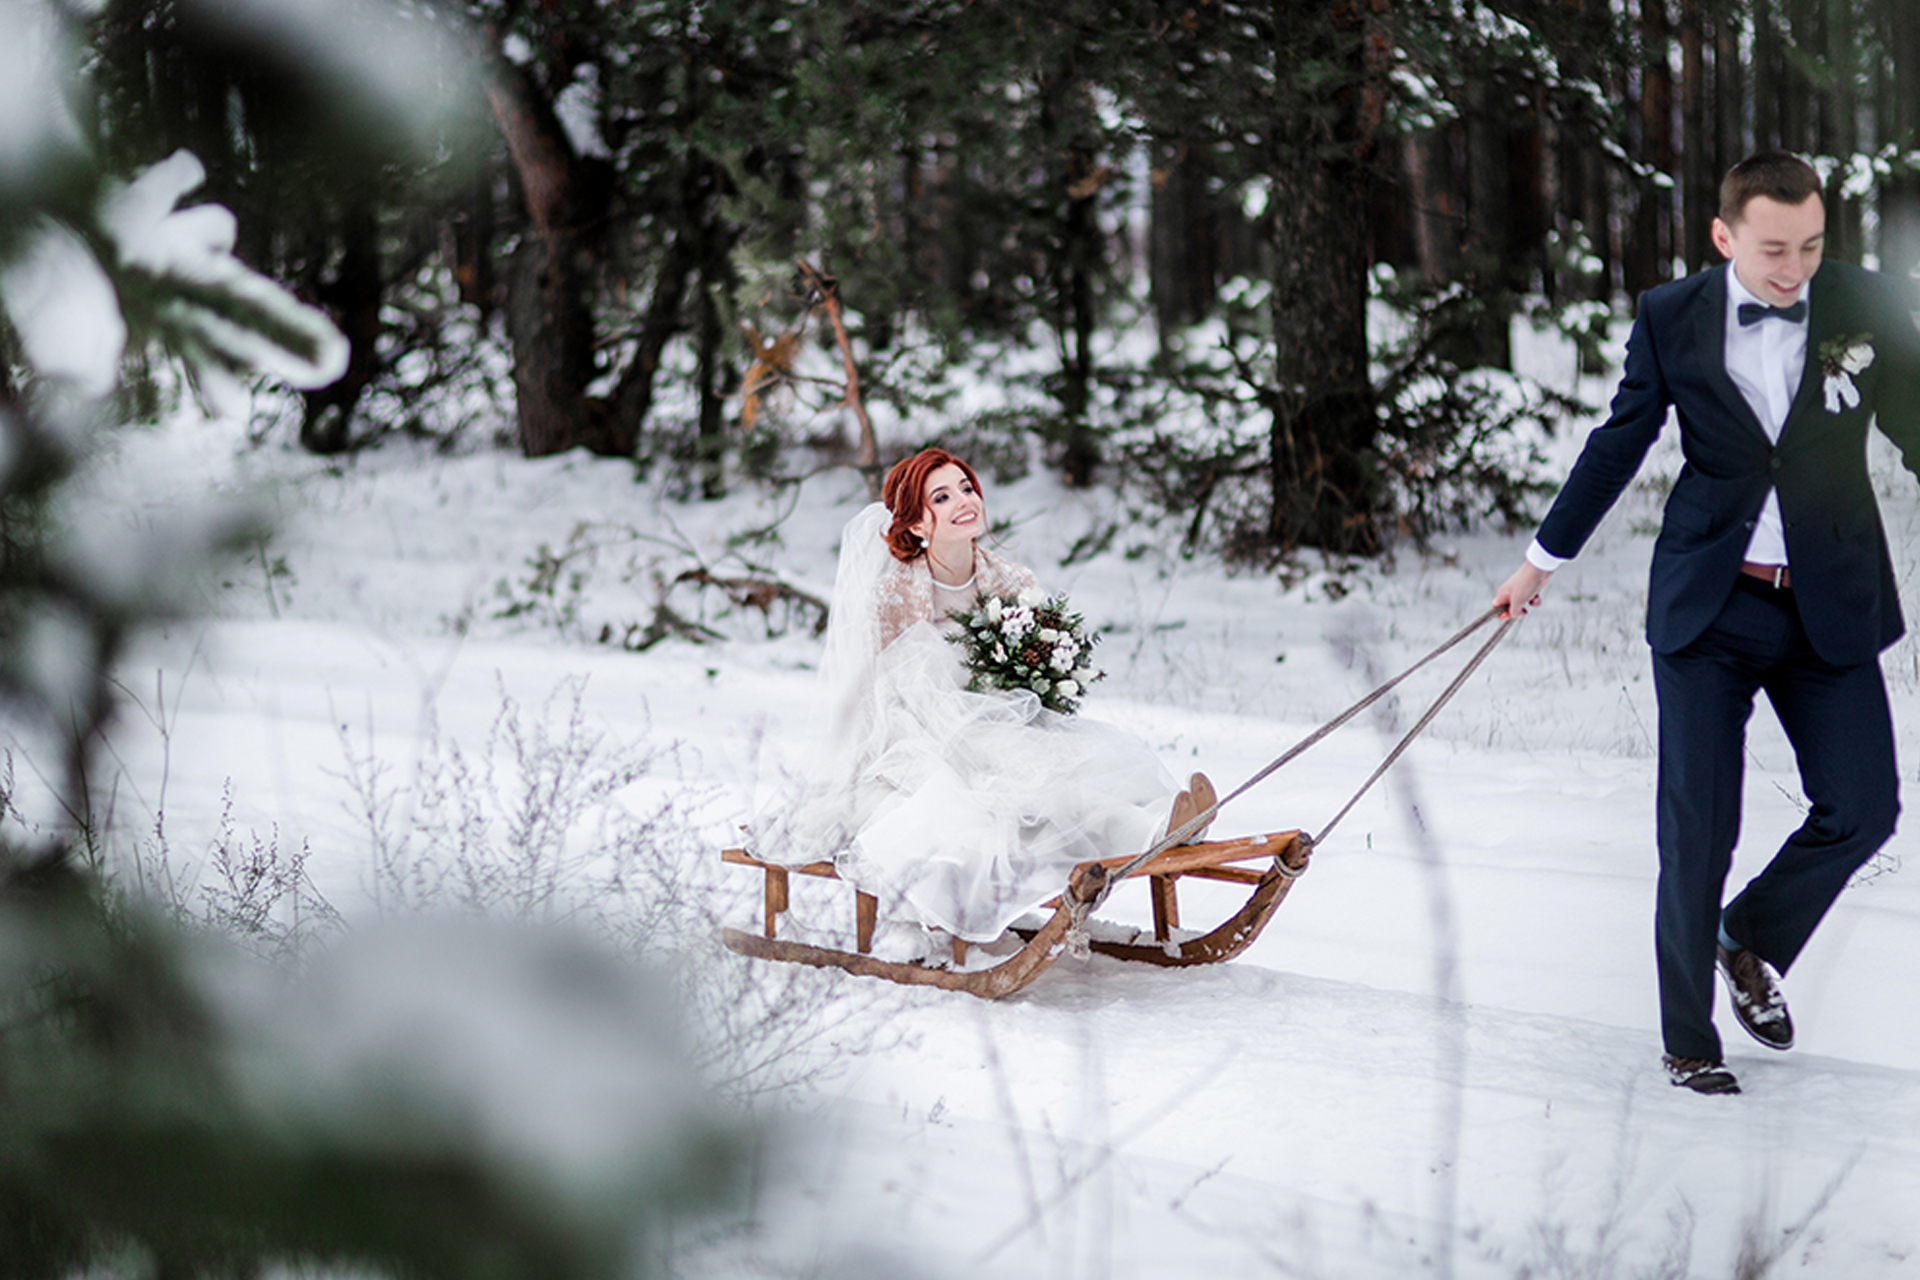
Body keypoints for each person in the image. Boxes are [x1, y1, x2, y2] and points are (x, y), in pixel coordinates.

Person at [1493, 151, 1920, 1094]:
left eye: (1811, 246)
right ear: (1725, 236)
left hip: (1829, 603)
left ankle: (1750, 937)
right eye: (1774, 248)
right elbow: (1619, 444)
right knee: (1698, 830)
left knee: (1864, 807)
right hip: (1709, 607)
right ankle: (1690, 1041)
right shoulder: (1670, 316)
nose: (1794, 268)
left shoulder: (1864, 304)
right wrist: (1539, 563)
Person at [794, 447, 1209, 952]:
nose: (963, 501)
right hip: (921, 735)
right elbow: (875, 689)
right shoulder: (893, 595)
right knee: (1006, 780)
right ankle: (1146, 830)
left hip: (1005, 722)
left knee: (1062, 763)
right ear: (917, 524)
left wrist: (1043, 683)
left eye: (966, 487)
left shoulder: (1013, 581)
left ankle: (1159, 825)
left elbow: (1031, 663)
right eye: (941, 497)